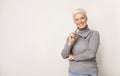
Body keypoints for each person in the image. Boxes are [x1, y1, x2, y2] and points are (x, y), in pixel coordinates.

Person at [61, 8, 100, 76]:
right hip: (73, 72)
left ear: (86, 18)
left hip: (89, 72)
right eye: (77, 19)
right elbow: (64, 55)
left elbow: (91, 54)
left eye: (82, 18)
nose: (80, 21)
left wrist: (74, 57)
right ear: (74, 21)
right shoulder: (72, 36)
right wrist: (69, 43)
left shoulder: (94, 34)